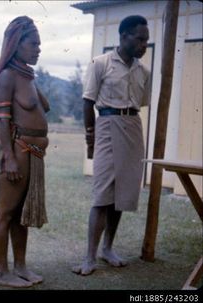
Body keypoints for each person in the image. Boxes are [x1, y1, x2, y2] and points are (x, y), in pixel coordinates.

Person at [72, 15, 151, 275]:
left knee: (122, 195)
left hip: (132, 128)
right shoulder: (100, 63)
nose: (143, 45)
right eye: (140, 39)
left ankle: (108, 249)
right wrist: (90, 140)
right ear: (124, 35)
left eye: (146, 41)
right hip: (106, 125)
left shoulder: (144, 71)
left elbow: (140, 103)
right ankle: (89, 257)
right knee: (102, 195)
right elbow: (87, 103)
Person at [0, 16, 50, 288]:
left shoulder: (26, 76)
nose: (38, 49)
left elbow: (43, 107)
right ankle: (1, 272)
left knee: (20, 213)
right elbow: (3, 122)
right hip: (16, 152)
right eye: (33, 43)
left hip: (32, 154)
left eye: (39, 44)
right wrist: (10, 158)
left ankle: (20, 267)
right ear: (16, 44)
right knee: (5, 212)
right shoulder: (8, 77)